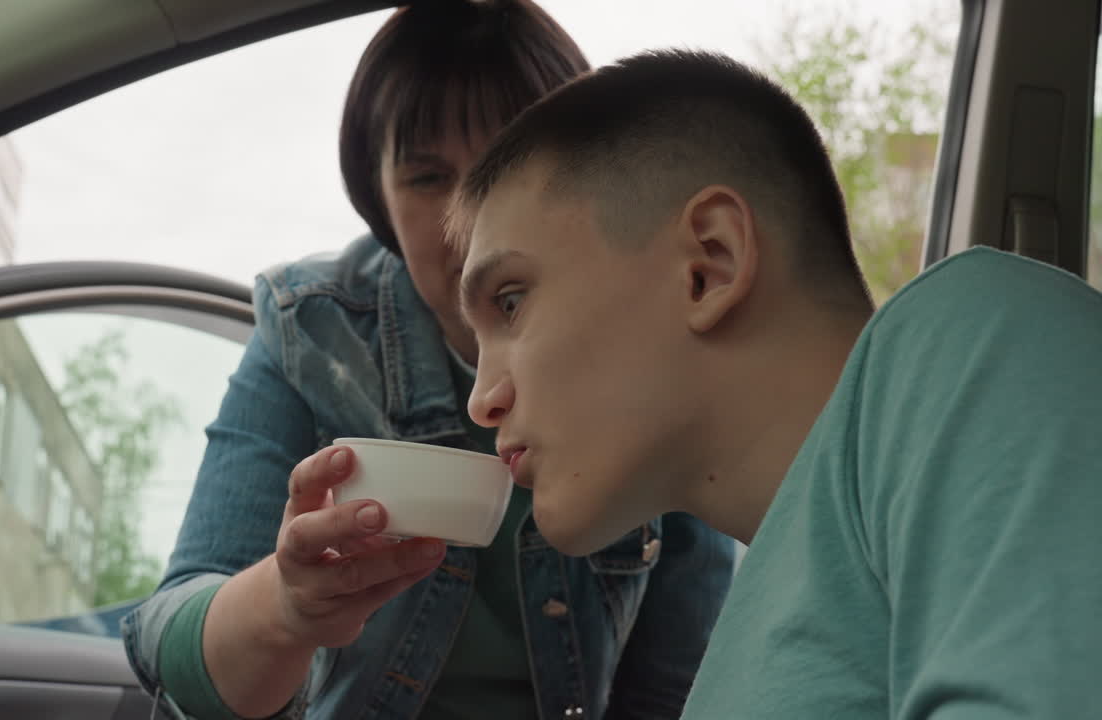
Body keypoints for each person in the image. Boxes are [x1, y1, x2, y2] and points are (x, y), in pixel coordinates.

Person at [122, 6, 737, 719]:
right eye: (426, 178)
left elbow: (677, 689)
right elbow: (166, 640)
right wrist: (286, 609)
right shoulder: (313, 333)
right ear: (375, 197)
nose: (468, 220)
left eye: (508, 167)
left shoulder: (658, 352)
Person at [452, 48, 1102, 717]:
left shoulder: (978, 332)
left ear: (709, 264)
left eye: (510, 302)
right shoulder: (746, 637)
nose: (482, 400)